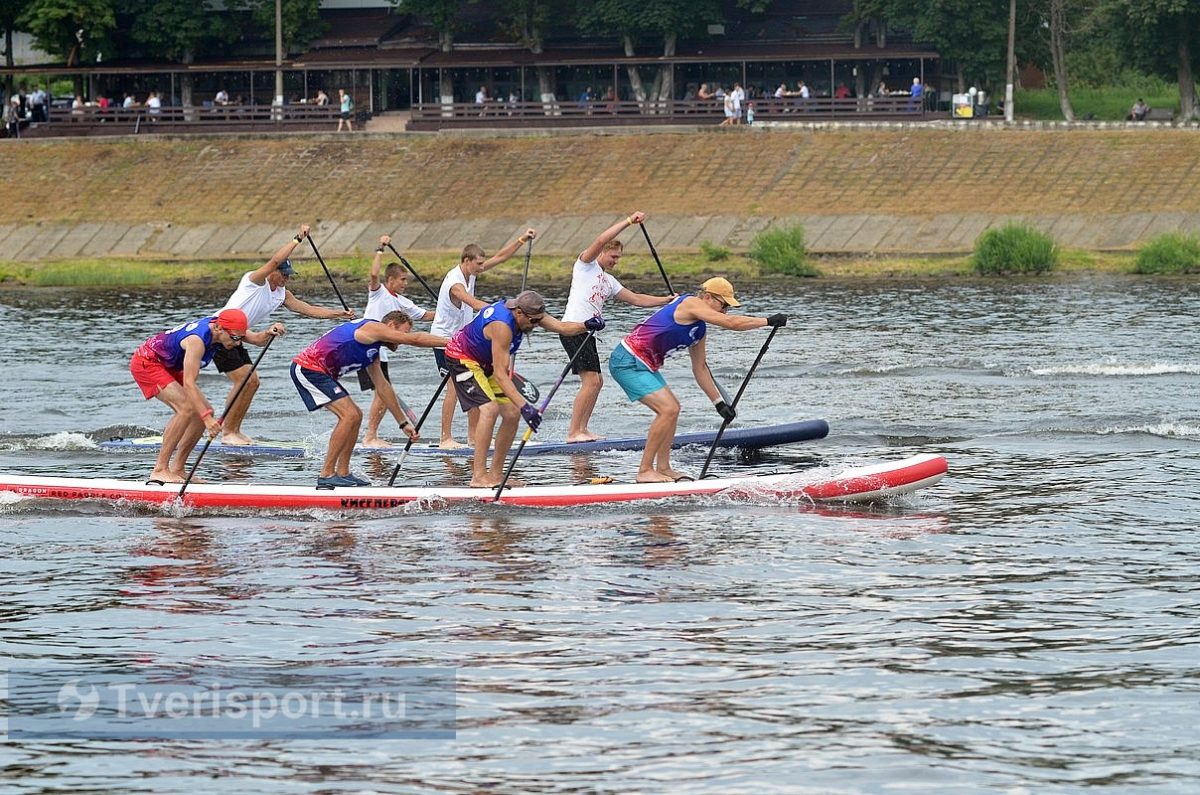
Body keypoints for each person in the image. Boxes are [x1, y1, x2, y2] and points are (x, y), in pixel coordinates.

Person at [608, 277, 788, 483]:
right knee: (668, 409)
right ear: (708, 297)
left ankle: (664, 468)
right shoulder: (690, 303)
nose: (725, 311)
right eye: (724, 305)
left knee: (673, 409)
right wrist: (767, 321)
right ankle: (644, 471)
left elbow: (700, 368)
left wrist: (719, 404)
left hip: (644, 366)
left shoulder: (699, 330)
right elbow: (731, 323)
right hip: (626, 361)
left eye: (729, 307)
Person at [213, 224, 355, 445]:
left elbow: (308, 309)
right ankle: (227, 432)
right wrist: (297, 239)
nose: (286, 279)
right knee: (246, 380)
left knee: (251, 383)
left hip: (238, 335)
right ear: (274, 272)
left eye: (289, 276)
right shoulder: (254, 282)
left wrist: (338, 314)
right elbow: (274, 261)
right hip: (219, 330)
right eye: (284, 275)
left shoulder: (282, 295)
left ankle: (231, 430)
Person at [445, 291, 602, 488]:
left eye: (539, 320)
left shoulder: (530, 313)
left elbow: (562, 327)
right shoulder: (502, 326)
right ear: (518, 312)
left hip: (487, 362)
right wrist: (526, 407)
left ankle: (495, 474)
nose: (535, 325)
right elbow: (501, 375)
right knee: (490, 409)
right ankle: (478, 476)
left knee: (511, 414)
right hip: (463, 358)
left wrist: (586, 325)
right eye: (533, 321)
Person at [292, 313, 448, 488]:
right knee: (349, 415)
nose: (400, 342)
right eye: (402, 333)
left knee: (355, 415)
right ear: (391, 325)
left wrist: (403, 423)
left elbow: (383, 387)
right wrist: (450, 343)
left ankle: (343, 473)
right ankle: (327, 474)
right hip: (307, 368)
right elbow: (416, 339)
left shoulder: (373, 350)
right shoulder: (372, 328)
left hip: (321, 373)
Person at [559, 212, 674, 443]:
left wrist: (667, 300)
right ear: (601, 253)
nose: (615, 261)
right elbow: (601, 239)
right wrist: (629, 222)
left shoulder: (609, 281)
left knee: (597, 382)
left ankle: (582, 429)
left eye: (618, 258)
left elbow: (636, 298)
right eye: (613, 256)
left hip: (587, 333)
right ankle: (574, 433)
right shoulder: (585, 266)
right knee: (591, 381)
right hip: (572, 328)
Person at [130, 308, 278, 484]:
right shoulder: (196, 341)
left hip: (170, 365)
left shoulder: (229, 328)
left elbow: (256, 339)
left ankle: (178, 469)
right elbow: (189, 383)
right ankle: (160, 469)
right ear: (218, 329)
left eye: (240, 338)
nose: (238, 344)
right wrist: (208, 420)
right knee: (186, 409)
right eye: (235, 338)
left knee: (204, 411)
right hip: (148, 361)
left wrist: (270, 332)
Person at [430, 229, 537, 449]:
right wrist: (500, 313)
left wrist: (521, 239)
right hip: (444, 340)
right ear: (466, 261)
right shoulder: (455, 282)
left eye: (482, 264)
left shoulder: (471, 271)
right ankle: (445, 438)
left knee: (476, 384)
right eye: (478, 264)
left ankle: (473, 437)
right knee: (452, 387)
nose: (482, 268)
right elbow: (471, 301)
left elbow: (500, 258)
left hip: (465, 342)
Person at [358, 235, 434, 448]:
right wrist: (380, 248)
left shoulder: (403, 302)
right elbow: (373, 273)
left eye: (406, 279)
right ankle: (369, 437)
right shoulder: (378, 293)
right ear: (390, 280)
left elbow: (426, 315)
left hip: (380, 353)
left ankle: (371, 435)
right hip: (365, 347)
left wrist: (455, 311)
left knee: (383, 394)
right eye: (402, 279)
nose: (405, 284)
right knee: (382, 395)